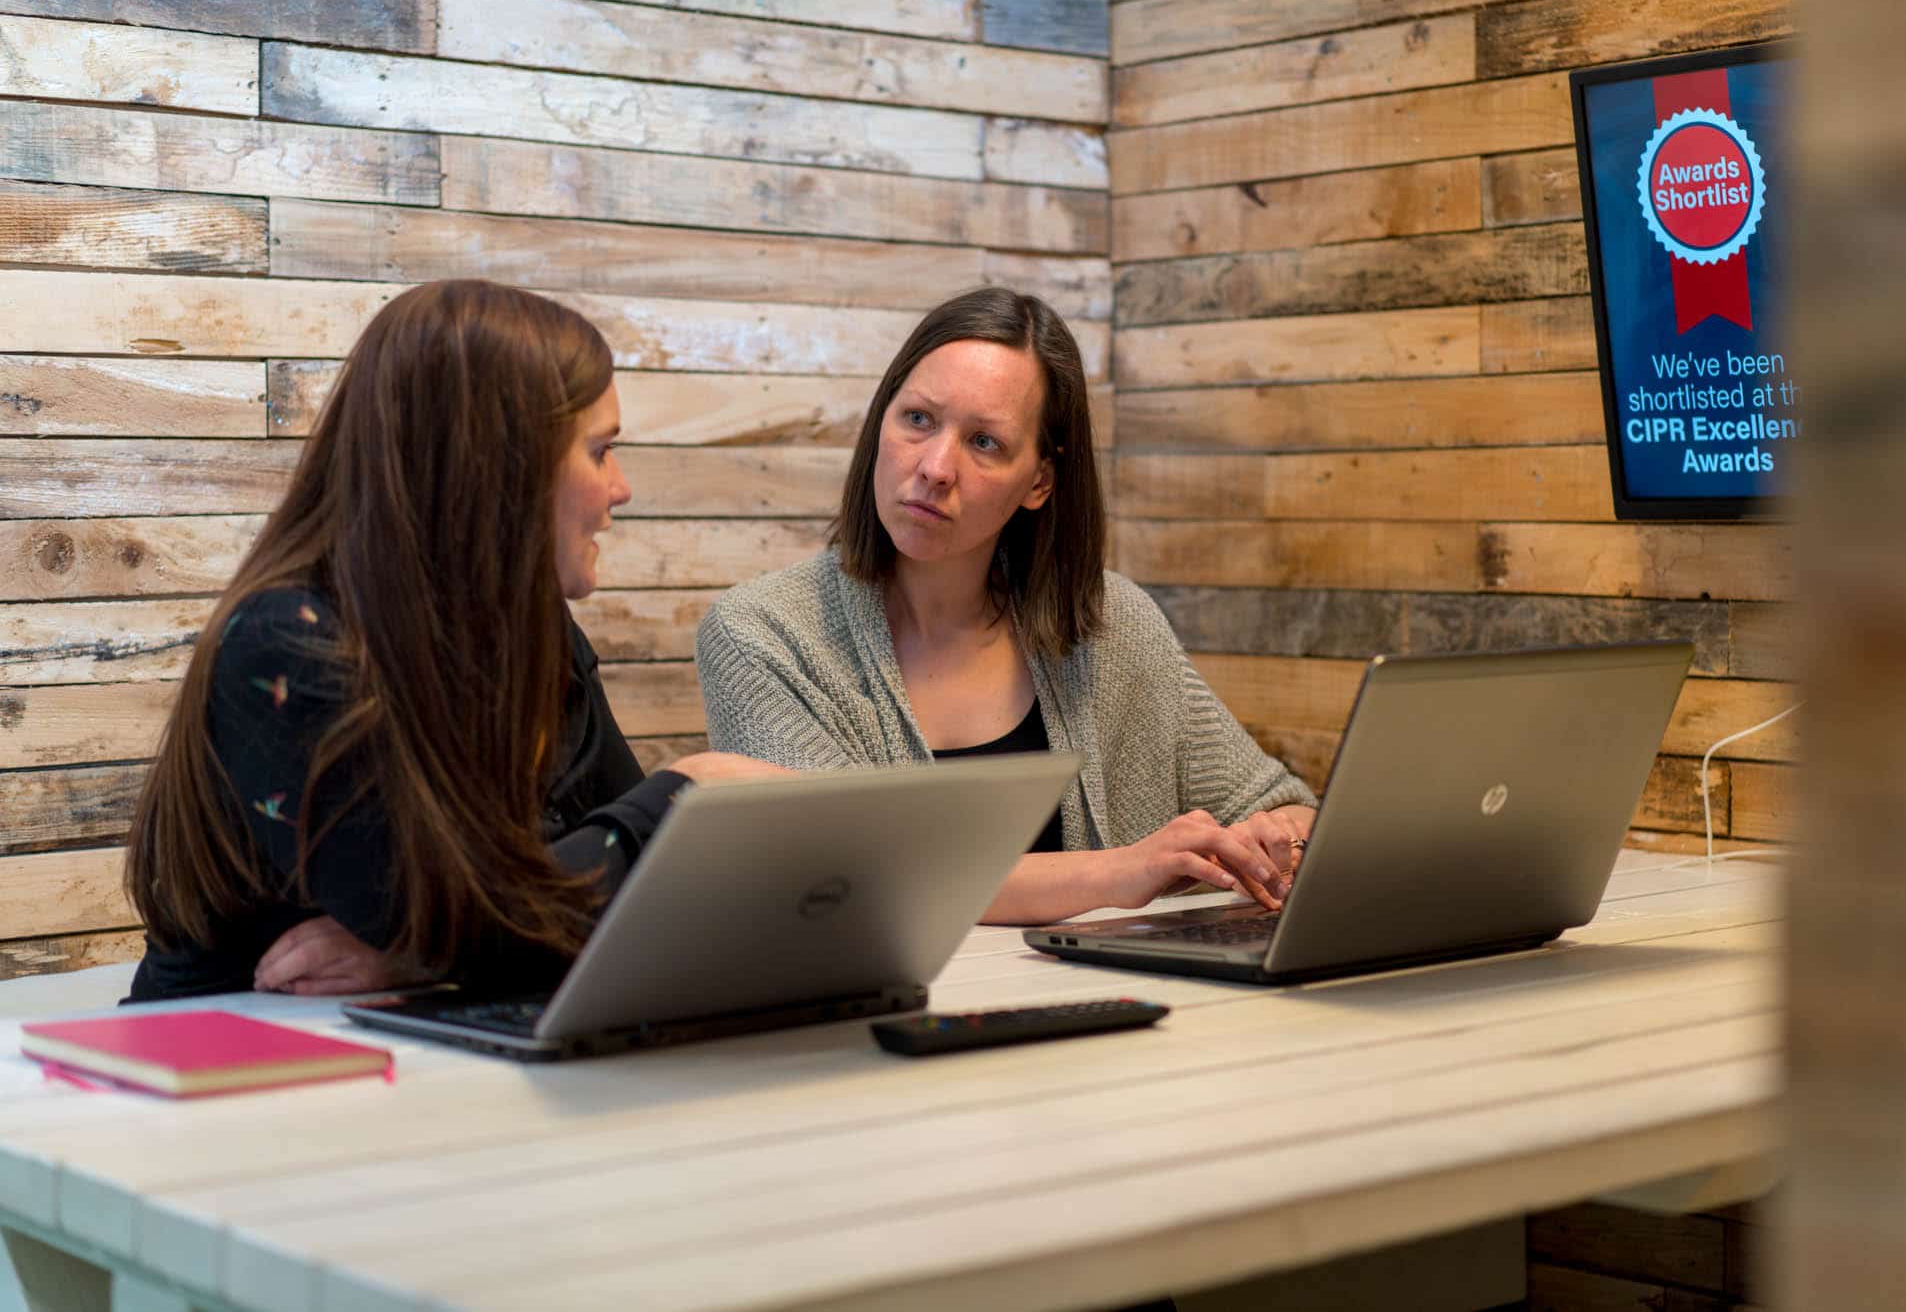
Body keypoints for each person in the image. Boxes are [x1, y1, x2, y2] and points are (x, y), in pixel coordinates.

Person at [124, 280, 777, 1002]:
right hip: (227, 1065)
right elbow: (464, 919)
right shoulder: (288, 644)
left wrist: (425, 955)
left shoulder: (534, 626)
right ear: (502, 463)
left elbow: (610, 900)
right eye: (600, 452)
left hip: (424, 1054)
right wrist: (681, 800)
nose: (619, 488)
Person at [695, 287, 1316, 926]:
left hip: (1113, 1010)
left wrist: (1280, 840)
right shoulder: (759, 635)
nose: (936, 466)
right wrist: (1122, 869)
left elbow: (1283, 805)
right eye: (917, 419)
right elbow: (851, 872)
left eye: (985, 442)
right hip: (890, 1014)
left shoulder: (1112, 625)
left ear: (1040, 481)